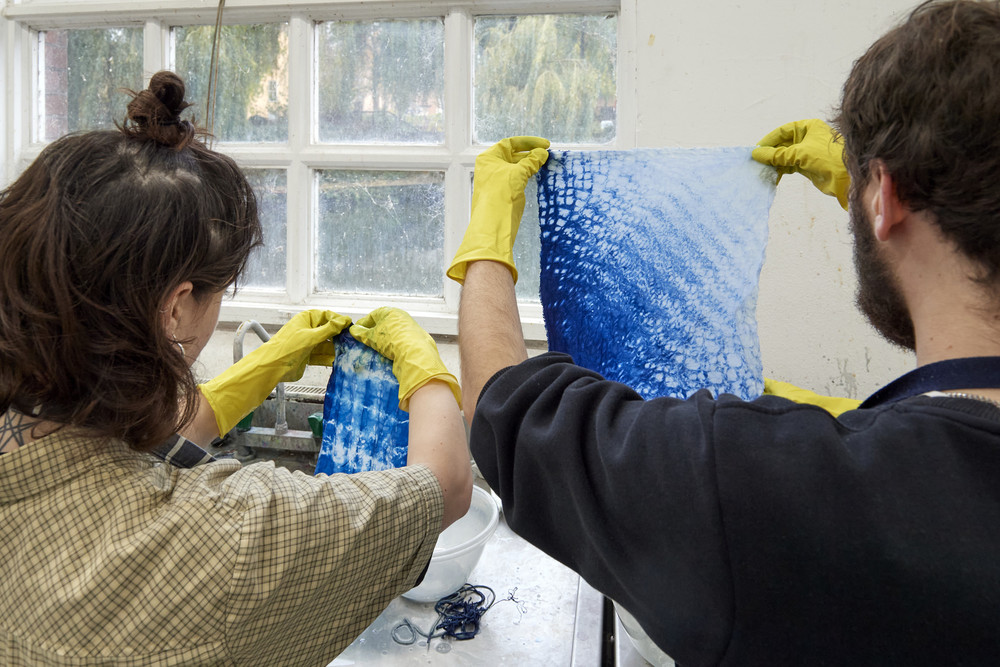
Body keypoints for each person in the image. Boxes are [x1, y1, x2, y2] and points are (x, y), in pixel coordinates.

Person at [449, 0, 1000, 663]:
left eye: (859, 188)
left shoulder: (764, 489)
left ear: (885, 195)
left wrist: (487, 237)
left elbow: (504, 413)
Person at [0, 71, 471, 666]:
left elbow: (131, 449)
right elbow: (443, 487)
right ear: (176, 306)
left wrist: (266, 366)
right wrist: (425, 369)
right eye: (219, 291)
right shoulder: (234, 535)